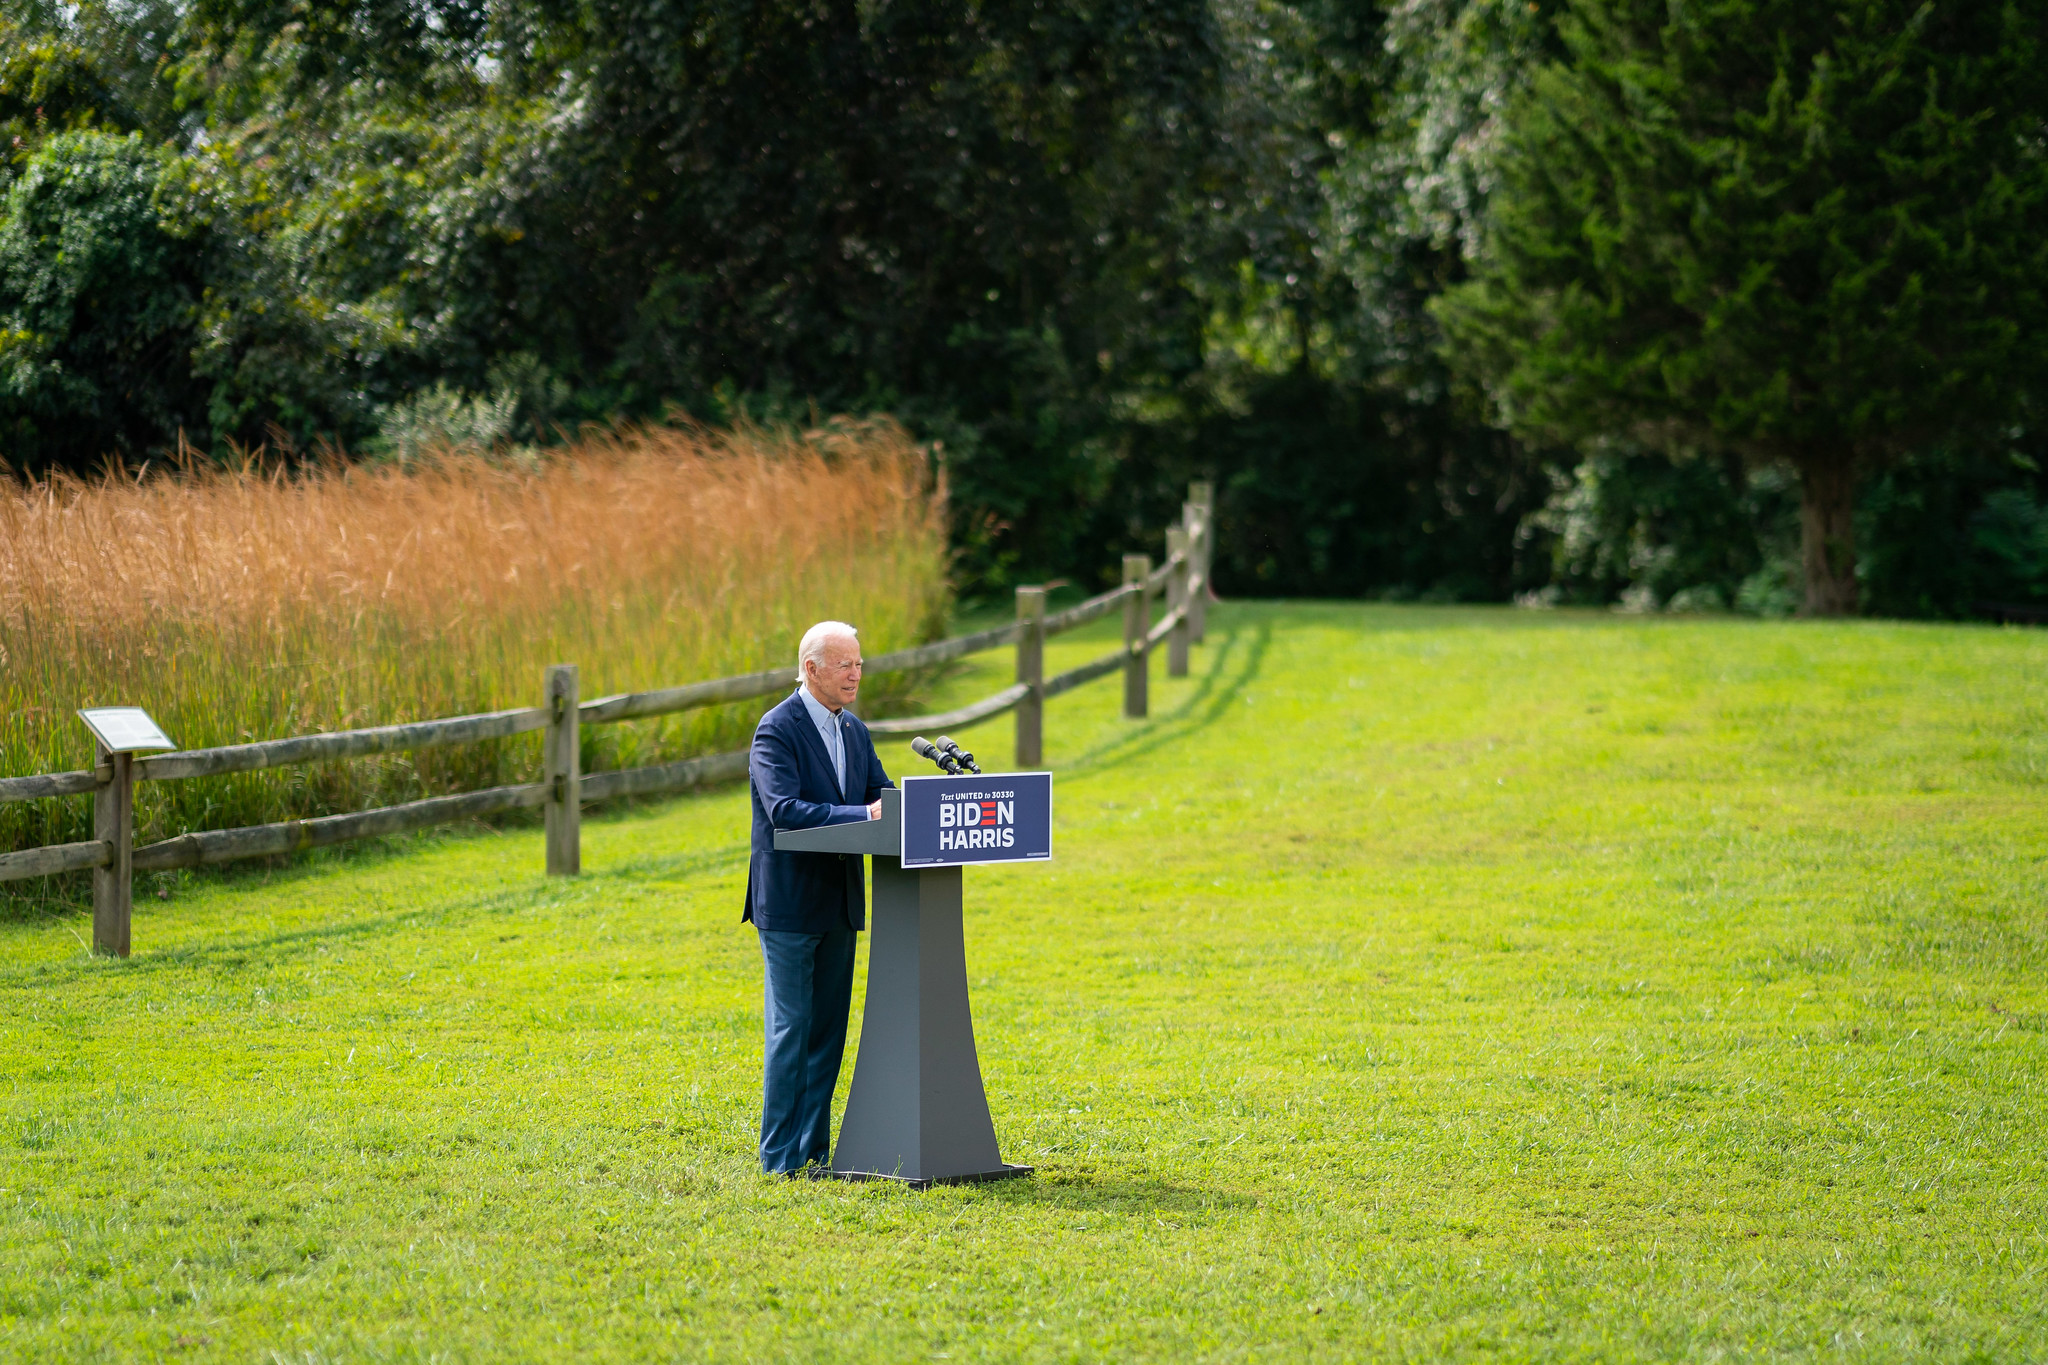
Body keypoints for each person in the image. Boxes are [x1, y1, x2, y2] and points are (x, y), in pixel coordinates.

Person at [743, 620, 892, 1176]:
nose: (856, 674)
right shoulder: (775, 730)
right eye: (845, 664)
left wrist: (921, 804)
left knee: (827, 1032)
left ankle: (813, 1155)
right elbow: (784, 810)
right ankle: (778, 1159)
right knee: (792, 1029)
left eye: (859, 664)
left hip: (840, 903)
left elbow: (882, 794)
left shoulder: (854, 730)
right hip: (789, 905)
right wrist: (864, 814)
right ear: (812, 669)